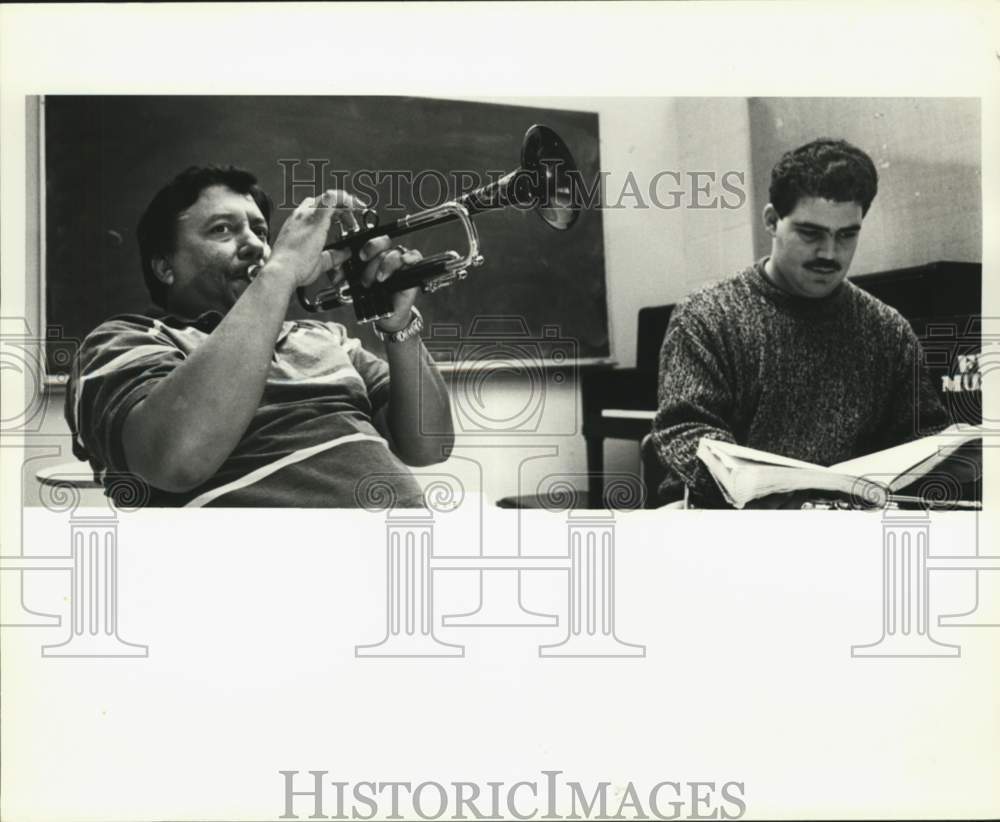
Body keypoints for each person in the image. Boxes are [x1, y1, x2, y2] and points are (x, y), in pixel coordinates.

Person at [65, 166, 454, 507]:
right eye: (222, 229)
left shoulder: (324, 337)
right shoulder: (121, 341)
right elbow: (176, 461)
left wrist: (398, 325)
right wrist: (282, 269)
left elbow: (430, 446)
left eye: (261, 231)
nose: (255, 245)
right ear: (166, 267)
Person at [642, 138, 950, 507]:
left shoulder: (888, 330)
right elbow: (684, 430)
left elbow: (922, 438)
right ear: (772, 221)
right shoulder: (707, 316)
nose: (829, 253)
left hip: (848, 530)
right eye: (811, 233)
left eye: (846, 235)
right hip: (730, 523)